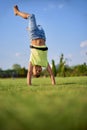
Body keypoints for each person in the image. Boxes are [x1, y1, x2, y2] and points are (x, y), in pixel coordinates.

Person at [13, 5, 56, 85]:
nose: (38, 70)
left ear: (32, 70)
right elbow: (51, 73)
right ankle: (29, 28)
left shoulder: (32, 61)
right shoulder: (44, 63)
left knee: (31, 16)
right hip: (42, 35)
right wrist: (54, 84)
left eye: (36, 71)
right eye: (39, 71)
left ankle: (17, 12)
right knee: (39, 26)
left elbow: (29, 72)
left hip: (34, 35)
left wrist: (29, 84)